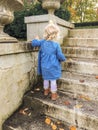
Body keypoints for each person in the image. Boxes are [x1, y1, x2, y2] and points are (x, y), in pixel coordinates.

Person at [31, 21, 66, 100]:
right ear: (56, 35)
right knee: (53, 80)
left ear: (46, 33)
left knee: (46, 79)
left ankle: (46, 91)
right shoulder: (56, 45)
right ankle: (53, 95)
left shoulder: (42, 42)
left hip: (44, 66)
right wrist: (63, 59)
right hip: (53, 65)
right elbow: (60, 55)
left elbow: (34, 43)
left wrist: (36, 39)